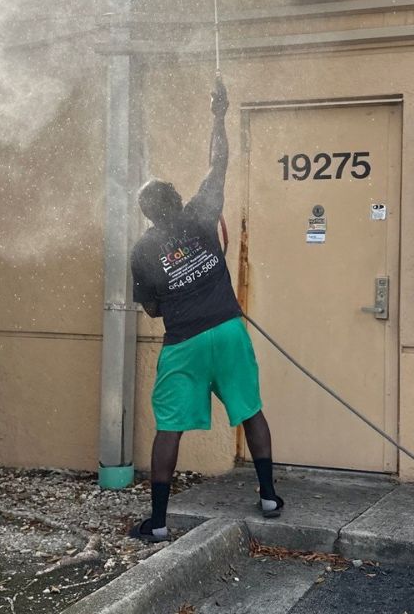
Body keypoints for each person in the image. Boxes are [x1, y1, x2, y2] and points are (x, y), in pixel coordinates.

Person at [128, 77, 283, 542]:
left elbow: (151, 308)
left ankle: (158, 523)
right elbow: (220, 161)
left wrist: (176, 291)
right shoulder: (200, 212)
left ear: (147, 214)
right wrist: (219, 114)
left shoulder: (142, 250)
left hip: (184, 344)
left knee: (169, 429)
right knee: (251, 410)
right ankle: (269, 497)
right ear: (177, 199)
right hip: (228, 331)